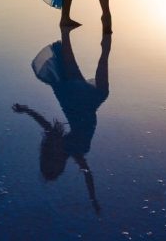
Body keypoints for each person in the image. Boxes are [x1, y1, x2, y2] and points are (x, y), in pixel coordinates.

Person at [12, 28, 111, 215]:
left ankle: (101, 45)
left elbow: (44, 123)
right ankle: (66, 30)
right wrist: (92, 198)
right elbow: (87, 174)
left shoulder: (68, 148)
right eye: (56, 168)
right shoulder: (69, 149)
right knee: (73, 73)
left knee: (96, 88)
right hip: (76, 105)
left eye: (53, 165)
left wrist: (26, 110)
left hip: (81, 106)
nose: (57, 165)